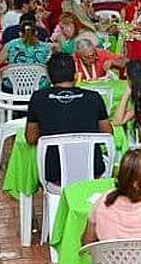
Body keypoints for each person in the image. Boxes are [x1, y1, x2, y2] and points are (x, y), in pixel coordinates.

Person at [26, 53, 113, 184]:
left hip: (55, 174)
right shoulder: (94, 97)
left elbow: (31, 138)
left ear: (49, 76)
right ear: (75, 74)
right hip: (93, 171)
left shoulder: (38, 98)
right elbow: (108, 133)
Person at [0, 12, 58, 84]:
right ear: (36, 33)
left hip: (14, 85)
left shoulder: (11, 45)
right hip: (39, 85)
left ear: (20, 33)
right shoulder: (46, 47)